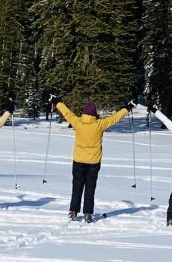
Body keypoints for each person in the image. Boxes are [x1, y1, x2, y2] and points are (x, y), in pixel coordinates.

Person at [53, 95, 135, 223]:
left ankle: (73, 211)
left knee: (77, 186)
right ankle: (87, 213)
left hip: (78, 161)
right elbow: (115, 118)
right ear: (94, 113)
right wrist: (127, 108)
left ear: (84, 112)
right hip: (93, 163)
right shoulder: (99, 124)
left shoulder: (78, 122)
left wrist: (57, 102)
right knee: (90, 188)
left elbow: (67, 113)